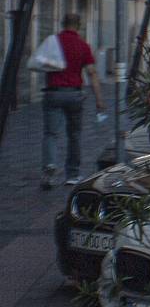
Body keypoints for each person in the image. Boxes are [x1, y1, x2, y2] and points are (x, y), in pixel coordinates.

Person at [41, 13, 104, 189]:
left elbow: (40, 62)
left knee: (50, 134)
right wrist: (99, 99)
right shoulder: (83, 46)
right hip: (74, 95)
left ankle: (49, 168)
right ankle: (72, 174)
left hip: (53, 92)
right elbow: (92, 73)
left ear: (63, 23)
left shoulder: (53, 42)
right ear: (79, 25)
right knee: (74, 135)